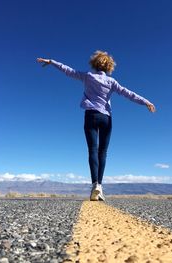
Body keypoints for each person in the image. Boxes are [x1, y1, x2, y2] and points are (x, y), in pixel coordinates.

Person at [36, 50, 155, 201]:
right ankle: (100, 186)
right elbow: (129, 94)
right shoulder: (112, 82)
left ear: (94, 63)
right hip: (106, 118)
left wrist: (52, 61)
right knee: (103, 152)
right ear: (109, 67)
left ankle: (95, 186)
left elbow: (68, 71)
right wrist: (146, 102)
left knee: (92, 149)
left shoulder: (87, 76)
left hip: (91, 115)